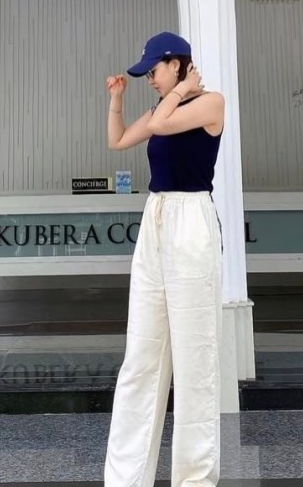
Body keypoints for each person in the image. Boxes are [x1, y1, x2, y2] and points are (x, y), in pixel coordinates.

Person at [103, 30, 225, 487]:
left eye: (153, 70)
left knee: (195, 358)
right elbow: (119, 141)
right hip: (156, 218)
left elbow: (161, 126)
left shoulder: (212, 103)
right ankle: (125, 478)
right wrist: (117, 100)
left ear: (177, 64)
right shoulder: (163, 106)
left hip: (192, 222)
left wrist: (183, 89)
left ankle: (195, 479)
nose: (150, 79)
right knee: (141, 354)